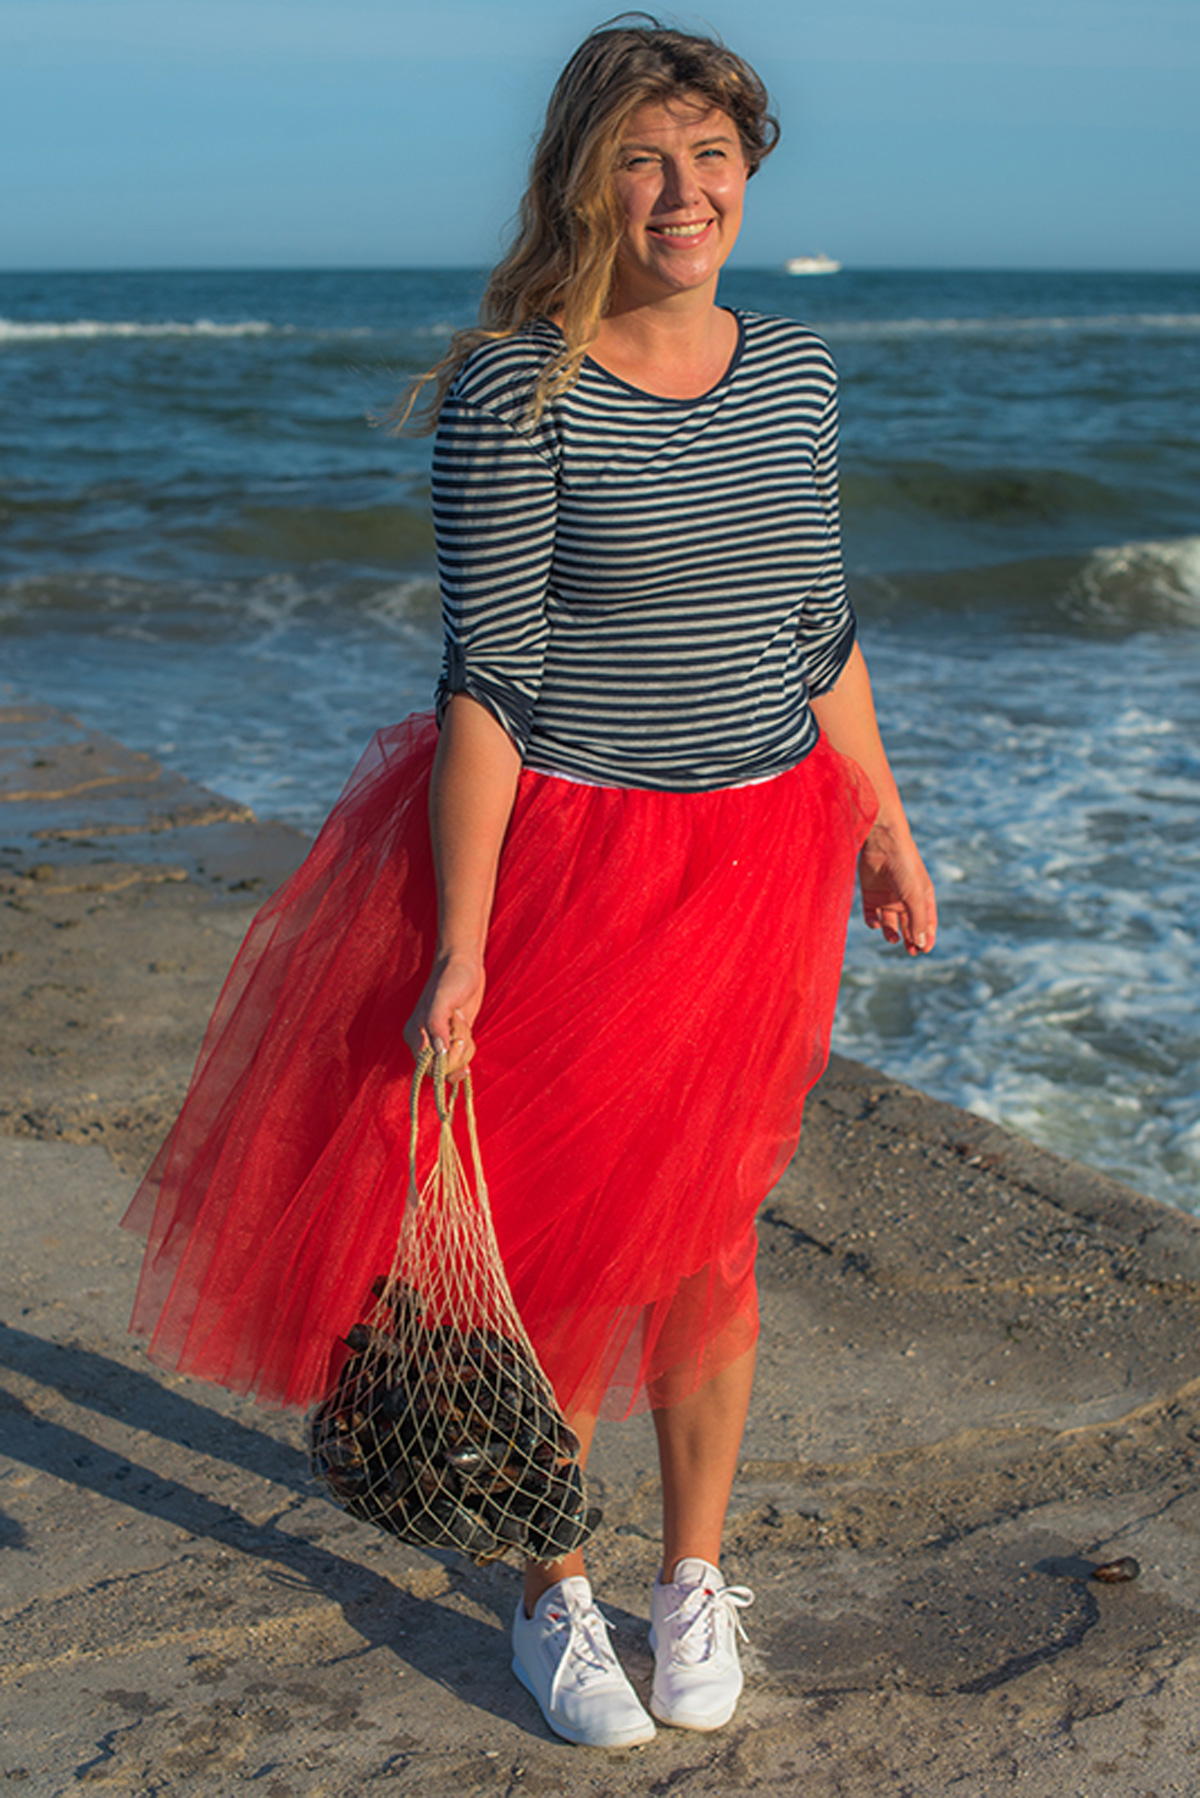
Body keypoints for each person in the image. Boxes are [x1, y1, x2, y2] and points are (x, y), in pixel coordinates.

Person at [124, 14, 936, 1754]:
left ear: (747, 173)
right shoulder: (517, 392)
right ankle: (547, 1583)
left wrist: (882, 818)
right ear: (583, 182)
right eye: (644, 159)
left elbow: (818, 625)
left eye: (710, 156)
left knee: (709, 1228)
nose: (683, 192)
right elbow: (487, 680)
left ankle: (693, 1574)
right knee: (548, 1244)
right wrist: (462, 944)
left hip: (762, 849)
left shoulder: (797, 374)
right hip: (577, 857)